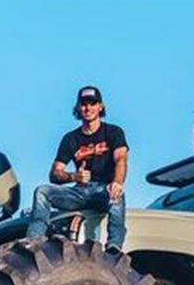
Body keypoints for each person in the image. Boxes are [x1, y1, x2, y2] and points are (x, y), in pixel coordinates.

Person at [27, 85, 129, 248]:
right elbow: (55, 174)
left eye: (92, 103)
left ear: (100, 107)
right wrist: (73, 176)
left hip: (104, 190)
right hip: (79, 192)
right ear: (78, 108)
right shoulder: (70, 139)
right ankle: (34, 242)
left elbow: (121, 160)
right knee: (42, 191)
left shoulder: (113, 132)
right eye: (84, 104)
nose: (88, 108)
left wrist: (117, 182)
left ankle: (114, 247)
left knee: (117, 195)